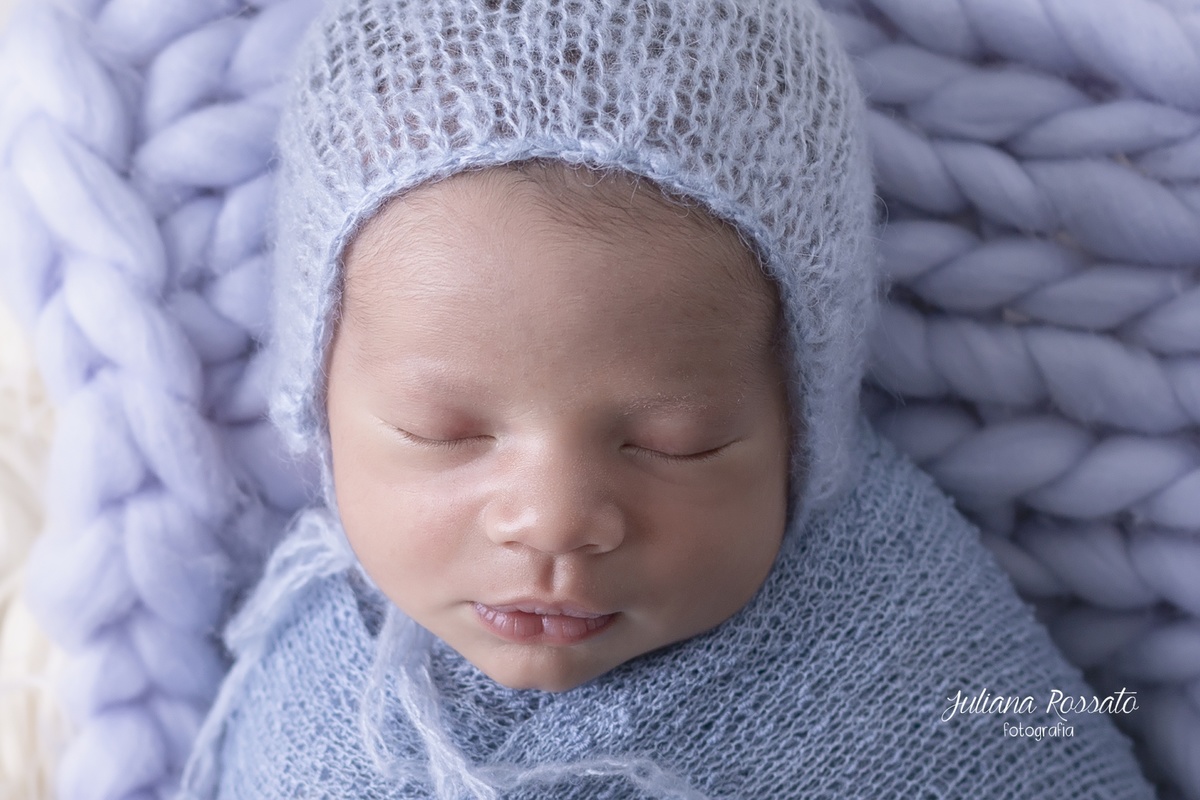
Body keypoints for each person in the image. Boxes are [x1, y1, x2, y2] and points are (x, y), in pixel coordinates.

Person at [180, 0, 1158, 797]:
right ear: (321, 401)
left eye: (674, 441)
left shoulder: (923, 663)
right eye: (444, 431)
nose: (555, 521)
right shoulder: (312, 666)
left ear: (801, 427)